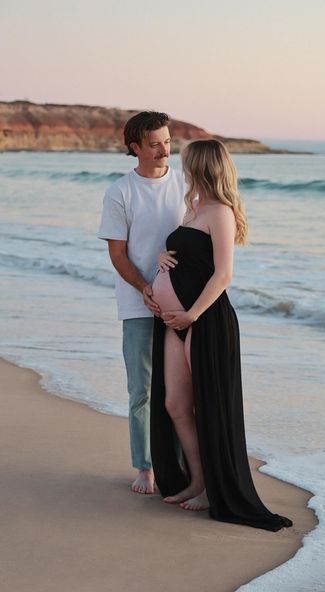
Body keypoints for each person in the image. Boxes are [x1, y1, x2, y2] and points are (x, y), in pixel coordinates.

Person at [150, 139, 292, 531]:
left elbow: (223, 274)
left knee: (209, 406)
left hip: (206, 320)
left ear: (201, 166)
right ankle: (197, 480)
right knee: (176, 405)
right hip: (173, 322)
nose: (183, 167)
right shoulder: (192, 207)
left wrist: (192, 314)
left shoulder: (221, 212)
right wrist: (161, 260)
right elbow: (185, 257)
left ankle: (214, 489)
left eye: (187, 162)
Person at [98, 111, 186, 494]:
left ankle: (184, 467)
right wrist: (144, 288)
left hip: (182, 305)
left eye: (167, 141)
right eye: (154, 143)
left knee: (182, 391)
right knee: (142, 391)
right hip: (137, 305)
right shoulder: (120, 191)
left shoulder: (185, 183)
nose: (164, 149)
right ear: (135, 147)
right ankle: (145, 468)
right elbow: (118, 255)